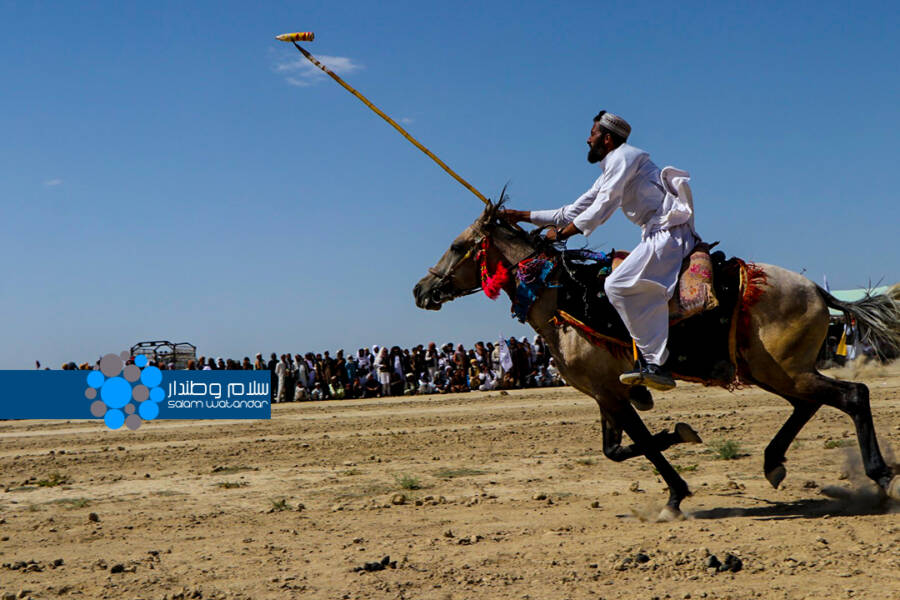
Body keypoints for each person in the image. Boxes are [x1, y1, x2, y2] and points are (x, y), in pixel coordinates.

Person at [501, 111, 700, 391]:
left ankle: (657, 364)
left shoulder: (624, 157)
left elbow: (602, 208)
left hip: (668, 233)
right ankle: (642, 364)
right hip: (656, 233)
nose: (587, 139)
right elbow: (572, 210)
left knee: (617, 286)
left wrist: (562, 234)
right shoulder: (613, 167)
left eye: (592, 134)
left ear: (606, 139)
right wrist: (520, 215)